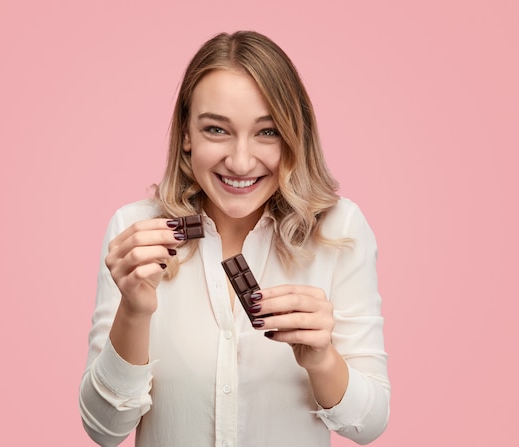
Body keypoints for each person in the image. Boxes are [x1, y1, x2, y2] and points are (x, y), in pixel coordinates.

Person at [79, 30, 390, 447]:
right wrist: (134, 311)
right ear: (186, 134)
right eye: (216, 130)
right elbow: (103, 430)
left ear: (294, 135)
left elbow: (368, 425)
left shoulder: (338, 230)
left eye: (267, 132)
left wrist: (322, 359)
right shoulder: (134, 234)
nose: (241, 161)